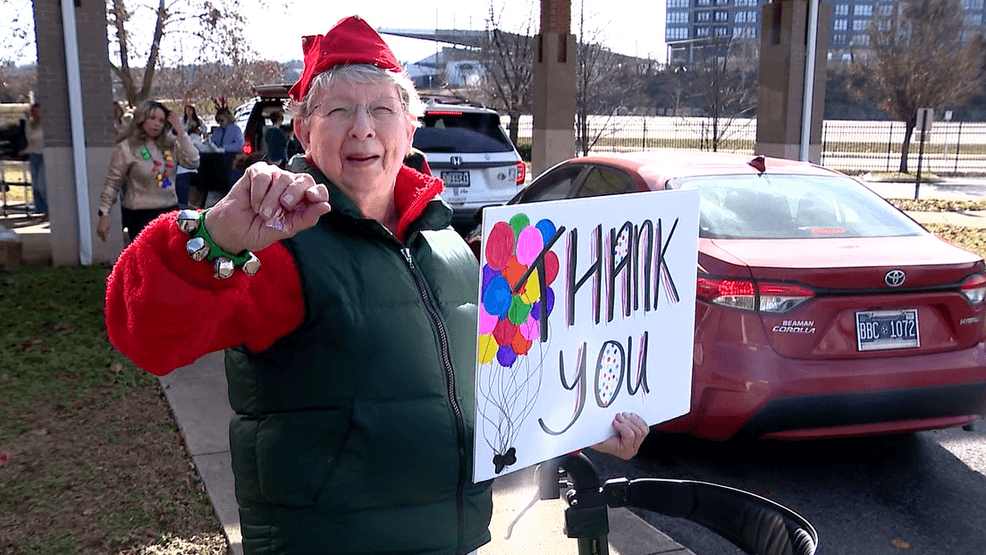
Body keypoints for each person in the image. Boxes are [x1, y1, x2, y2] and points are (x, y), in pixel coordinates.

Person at [104, 15, 648, 555]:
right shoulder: (274, 243)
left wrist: (581, 426)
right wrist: (214, 237)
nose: (362, 127)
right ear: (303, 130)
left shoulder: (449, 246)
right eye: (338, 109)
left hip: (453, 541)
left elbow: (492, 391)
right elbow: (146, 336)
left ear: (411, 127)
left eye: (382, 109)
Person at [97, 100, 200, 242]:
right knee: (146, 260)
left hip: (169, 211)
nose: (157, 124)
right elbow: (112, 184)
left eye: (161, 120)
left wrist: (181, 131)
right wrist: (104, 214)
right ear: (141, 119)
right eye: (152, 118)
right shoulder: (126, 148)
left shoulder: (170, 145)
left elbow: (193, 161)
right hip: (139, 215)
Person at [21, 103, 47, 217]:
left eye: (37, 111)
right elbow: (30, 138)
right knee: (35, 185)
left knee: (42, 185)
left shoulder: (45, 125)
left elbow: (36, 136)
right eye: (33, 111)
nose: (35, 113)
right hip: (33, 155)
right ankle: (41, 210)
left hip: (43, 155)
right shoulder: (30, 124)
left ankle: (49, 209)